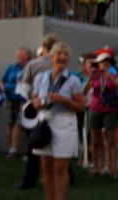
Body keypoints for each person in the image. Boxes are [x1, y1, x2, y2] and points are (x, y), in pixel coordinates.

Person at [32, 41, 85, 200]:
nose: (62, 57)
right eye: (58, 54)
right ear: (51, 57)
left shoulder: (73, 80)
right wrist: (36, 103)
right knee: (46, 167)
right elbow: (34, 99)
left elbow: (81, 106)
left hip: (64, 123)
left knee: (61, 168)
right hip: (45, 121)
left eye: (65, 54)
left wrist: (64, 100)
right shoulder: (41, 77)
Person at [17, 33, 60, 190]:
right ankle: (65, 175)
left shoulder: (34, 65)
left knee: (34, 146)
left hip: (38, 109)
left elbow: (24, 86)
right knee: (58, 144)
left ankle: (30, 180)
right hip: (57, 108)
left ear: (44, 47)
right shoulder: (60, 65)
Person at [84, 49, 118, 179]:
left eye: (106, 62)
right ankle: (97, 167)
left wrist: (110, 76)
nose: (104, 65)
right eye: (101, 62)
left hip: (110, 109)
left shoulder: (112, 74)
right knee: (95, 140)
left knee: (111, 140)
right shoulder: (95, 75)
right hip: (96, 108)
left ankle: (113, 168)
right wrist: (91, 77)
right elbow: (84, 91)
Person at [0, 47, 32, 157]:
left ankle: (14, 148)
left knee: (19, 124)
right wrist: (2, 87)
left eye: (21, 55)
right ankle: (10, 149)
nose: (18, 57)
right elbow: (2, 81)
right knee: (10, 123)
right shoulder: (12, 67)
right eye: (18, 55)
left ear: (27, 56)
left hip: (23, 99)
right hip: (10, 98)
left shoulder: (30, 67)